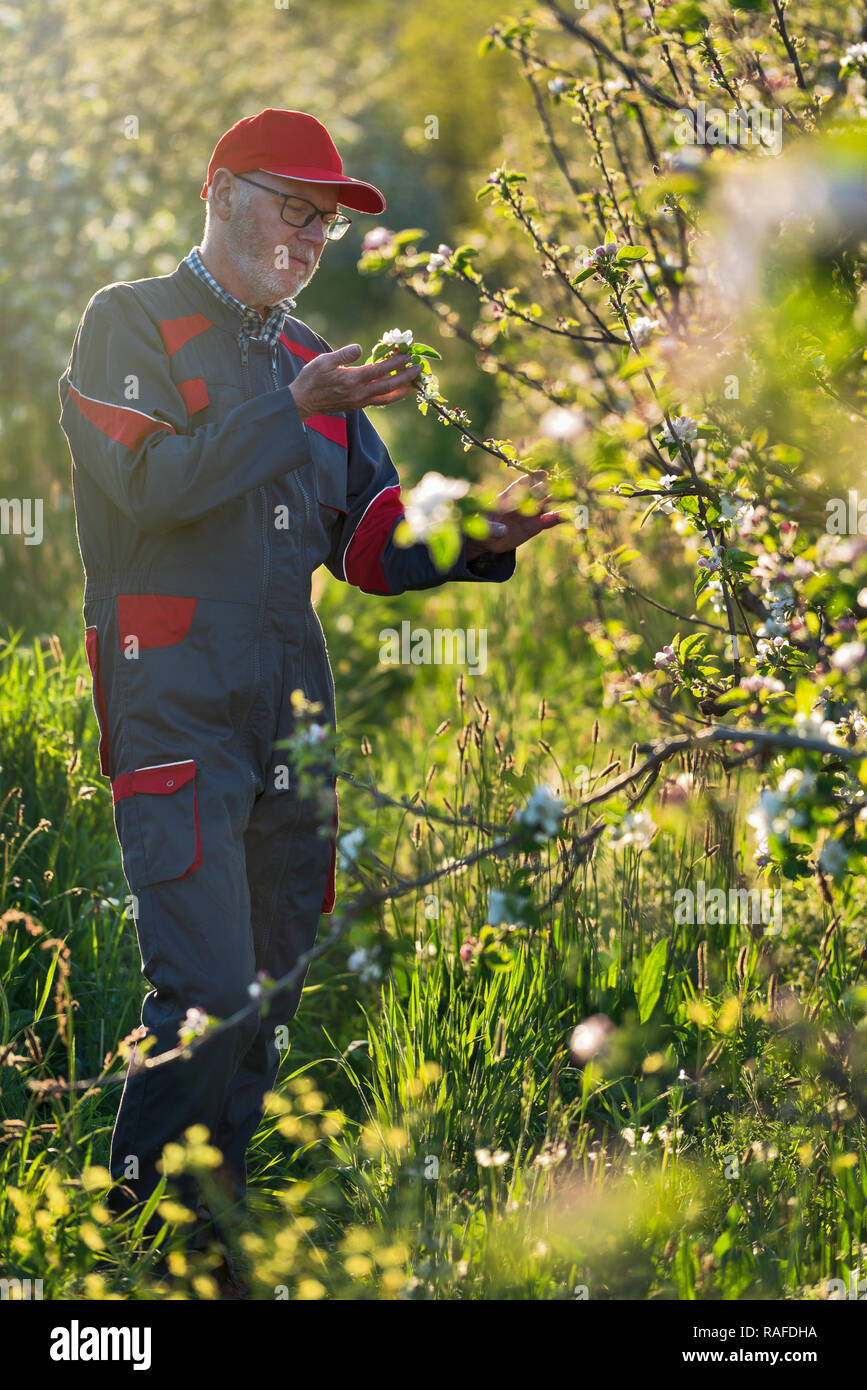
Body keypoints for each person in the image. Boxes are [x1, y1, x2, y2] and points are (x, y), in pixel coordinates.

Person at [57, 108, 563, 1243]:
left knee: (269, 1005)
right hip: (172, 707)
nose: (308, 237)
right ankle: (133, 1259)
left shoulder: (308, 362)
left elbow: (372, 545)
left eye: (325, 225)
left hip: (292, 717)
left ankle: (209, 1254)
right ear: (221, 191)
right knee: (204, 998)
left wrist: (484, 530)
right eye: (296, 207)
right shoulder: (129, 322)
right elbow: (148, 484)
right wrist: (291, 412)